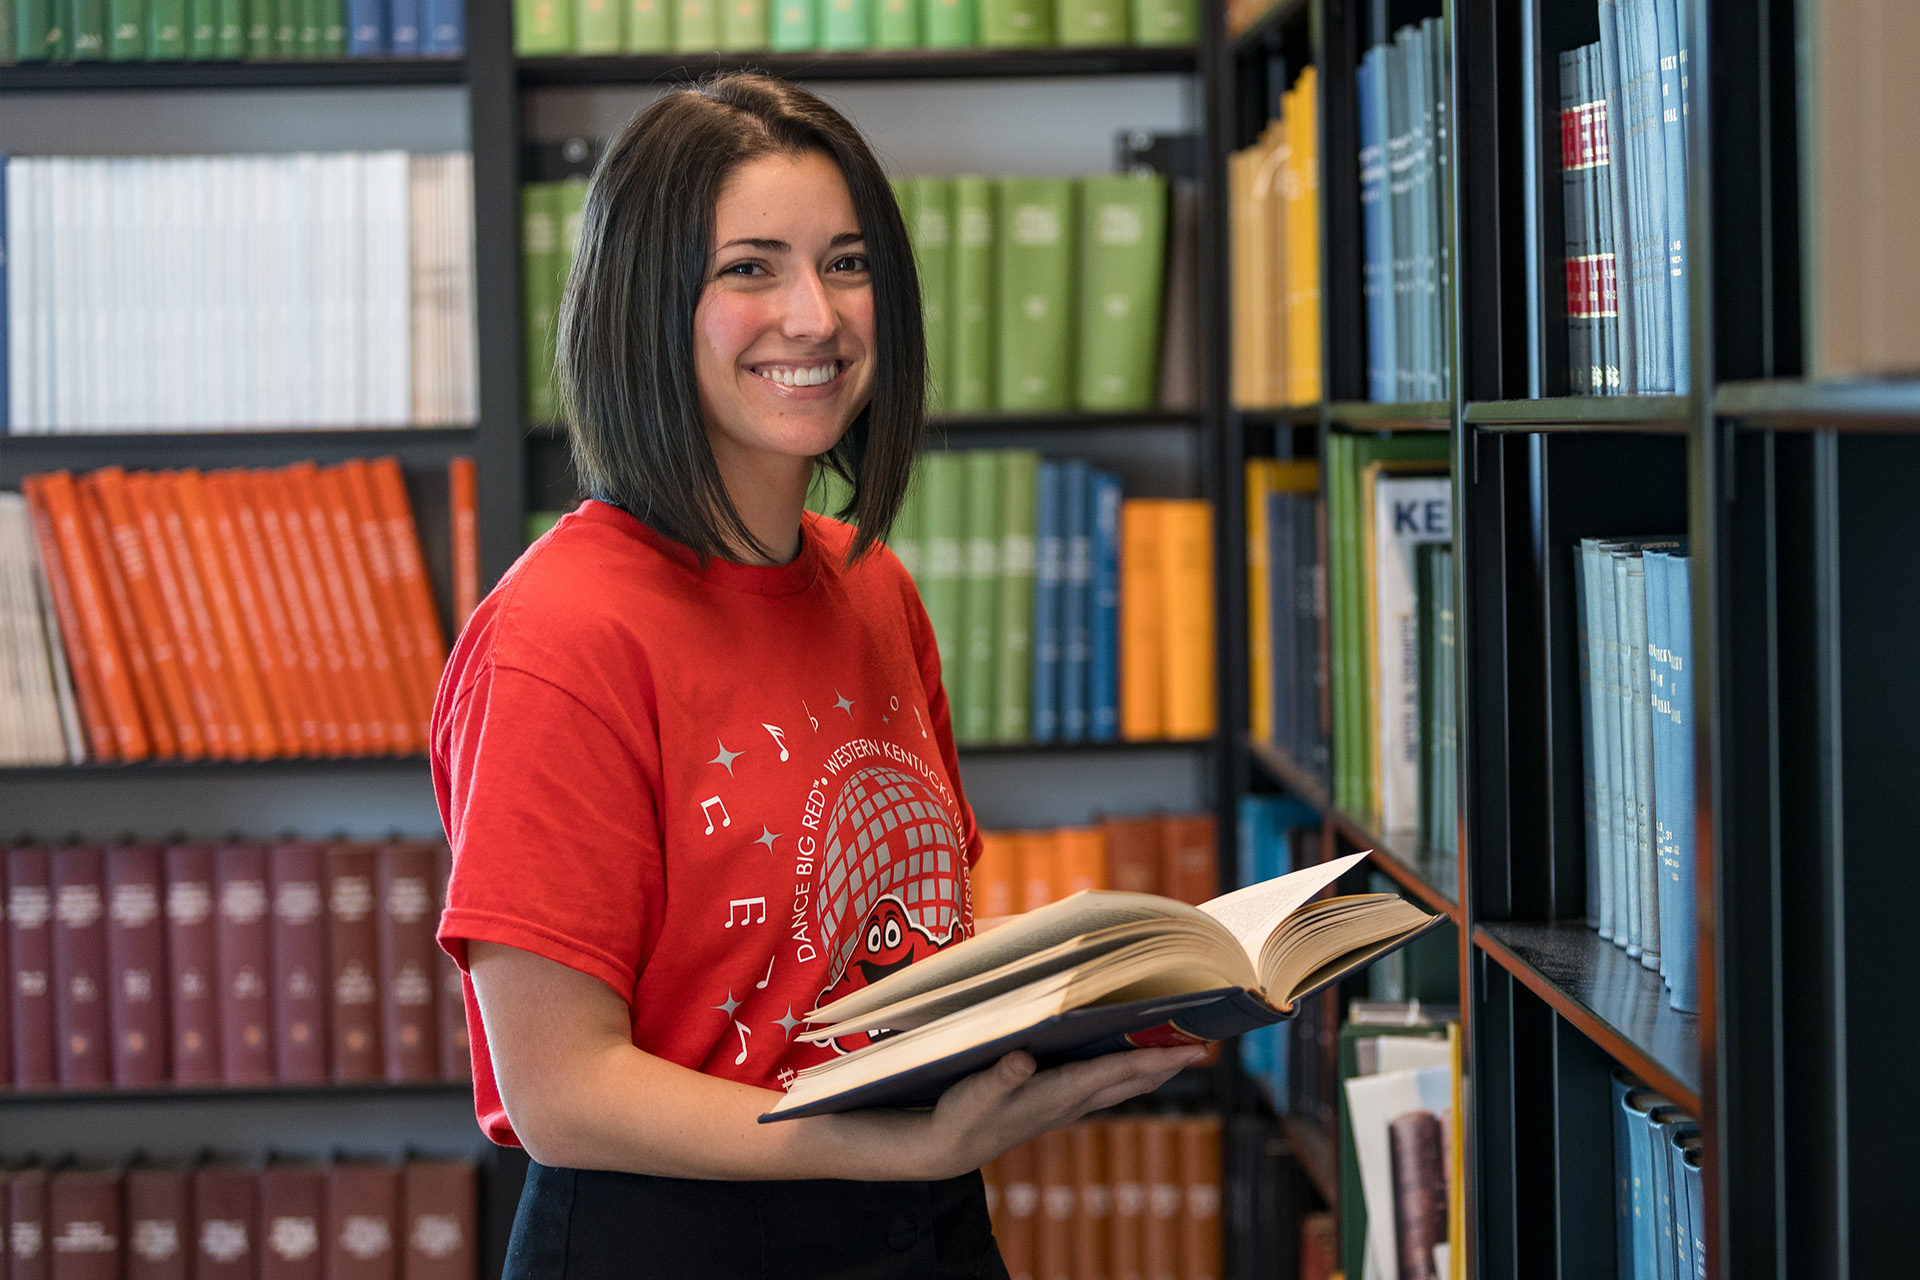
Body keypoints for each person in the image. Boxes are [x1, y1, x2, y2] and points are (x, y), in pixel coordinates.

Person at [431, 73, 1205, 1279]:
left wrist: (1102, 991)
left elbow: (860, 953)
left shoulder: (873, 587)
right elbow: (561, 1089)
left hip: (920, 1218)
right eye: (751, 267)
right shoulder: (557, 635)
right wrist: (875, 1147)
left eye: (846, 263)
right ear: (649, 303)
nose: (817, 314)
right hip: (674, 1239)